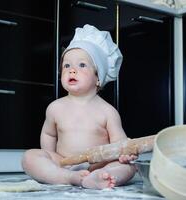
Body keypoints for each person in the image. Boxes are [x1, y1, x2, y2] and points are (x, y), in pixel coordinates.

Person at [22, 24, 137, 189]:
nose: (72, 70)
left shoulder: (107, 111)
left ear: (98, 77)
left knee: (129, 167)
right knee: (29, 157)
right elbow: (48, 135)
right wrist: (49, 158)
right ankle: (67, 177)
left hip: (98, 164)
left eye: (82, 65)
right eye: (66, 66)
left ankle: (100, 177)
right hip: (64, 161)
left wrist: (125, 153)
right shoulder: (55, 108)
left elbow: (119, 142)